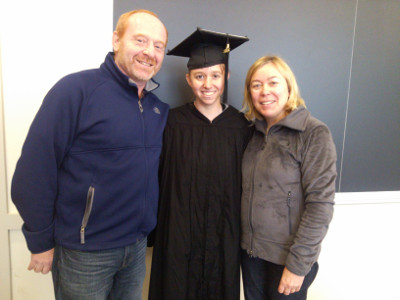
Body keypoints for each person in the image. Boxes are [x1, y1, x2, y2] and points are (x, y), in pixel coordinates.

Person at [11, 9, 169, 300]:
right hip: (85, 253)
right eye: (140, 40)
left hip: (135, 250)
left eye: (158, 46)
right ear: (116, 40)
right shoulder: (75, 91)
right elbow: (33, 171)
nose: (150, 52)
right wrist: (40, 241)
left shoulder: (158, 108)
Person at [148, 28, 252, 300]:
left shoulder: (241, 127)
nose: (208, 84)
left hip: (224, 237)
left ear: (225, 77)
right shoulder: (171, 123)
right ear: (188, 79)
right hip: (178, 237)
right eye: (200, 76)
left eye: (215, 75)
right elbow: (154, 179)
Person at [240, 55, 337, 300]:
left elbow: (320, 206)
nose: (265, 91)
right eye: (256, 85)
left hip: (287, 259)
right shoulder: (251, 134)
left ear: (289, 87)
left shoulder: (312, 133)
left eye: (273, 82)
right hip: (251, 256)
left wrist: (297, 265)